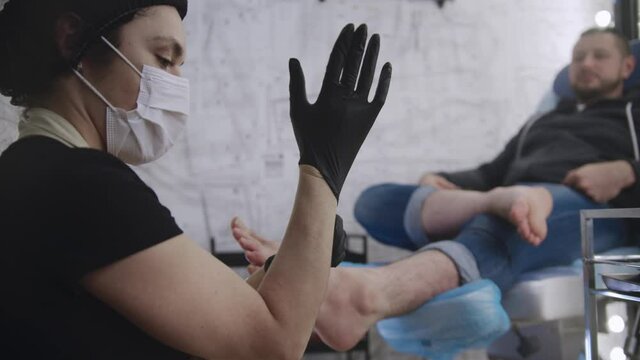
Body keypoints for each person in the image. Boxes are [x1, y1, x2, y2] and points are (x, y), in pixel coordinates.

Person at [0, 0, 392, 358]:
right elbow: (271, 345)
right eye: (165, 58)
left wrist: (295, 264)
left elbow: (206, 321)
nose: (174, 84)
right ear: (73, 40)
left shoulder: (32, 171)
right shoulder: (79, 187)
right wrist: (323, 166)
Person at [230, 27, 640, 352]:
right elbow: (491, 170)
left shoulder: (632, 114)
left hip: (591, 211)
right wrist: (441, 181)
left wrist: (627, 171)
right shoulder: (541, 122)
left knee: (512, 216)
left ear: (627, 66)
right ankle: (498, 203)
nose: (586, 63)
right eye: (578, 57)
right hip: (517, 197)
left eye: (599, 56)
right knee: (375, 202)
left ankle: (364, 295)